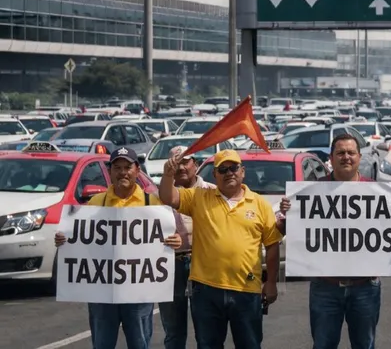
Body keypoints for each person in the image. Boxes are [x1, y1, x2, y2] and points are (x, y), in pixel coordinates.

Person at [279, 133, 391, 349]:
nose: (346, 157)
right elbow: (289, 233)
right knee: (323, 345)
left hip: (365, 287)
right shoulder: (310, 192)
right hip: (325, 286)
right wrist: (289, 214)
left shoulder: (377, 192)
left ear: (359, 157)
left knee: (364, 345)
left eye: (351, 152)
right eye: (340, 153)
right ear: (331, 159)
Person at [54, 147, 183, 349]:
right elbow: (83, 241)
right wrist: (66, 240)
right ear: (110, 171)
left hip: (139, 292)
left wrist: (175, 241)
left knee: (139, 344)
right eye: (117, 167)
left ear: (137, 170)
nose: (123, 172)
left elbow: (172, 237)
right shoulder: (96, 203)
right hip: (102, 292)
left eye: (127, 167)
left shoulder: (154, 203)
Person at [158, 149, 282, 349]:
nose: (229, 173)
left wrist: (272, 284)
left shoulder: (260, 204)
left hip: (246, 290)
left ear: (242, 171)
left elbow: (272, 245)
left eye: (233, 168)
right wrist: (168, 175)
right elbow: (168, 198)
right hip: (206, 291)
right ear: (214, 175)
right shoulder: (200, 196)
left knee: (250, 344)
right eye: (222, 169)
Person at [158, 147, 216, 349]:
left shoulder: (212, 191)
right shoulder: (160, 194)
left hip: (202, 265)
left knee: (206, 329)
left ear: (196, 165)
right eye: (176, 162)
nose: (181, 167)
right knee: (173, 332)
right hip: (169, 266)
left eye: (186, 162)